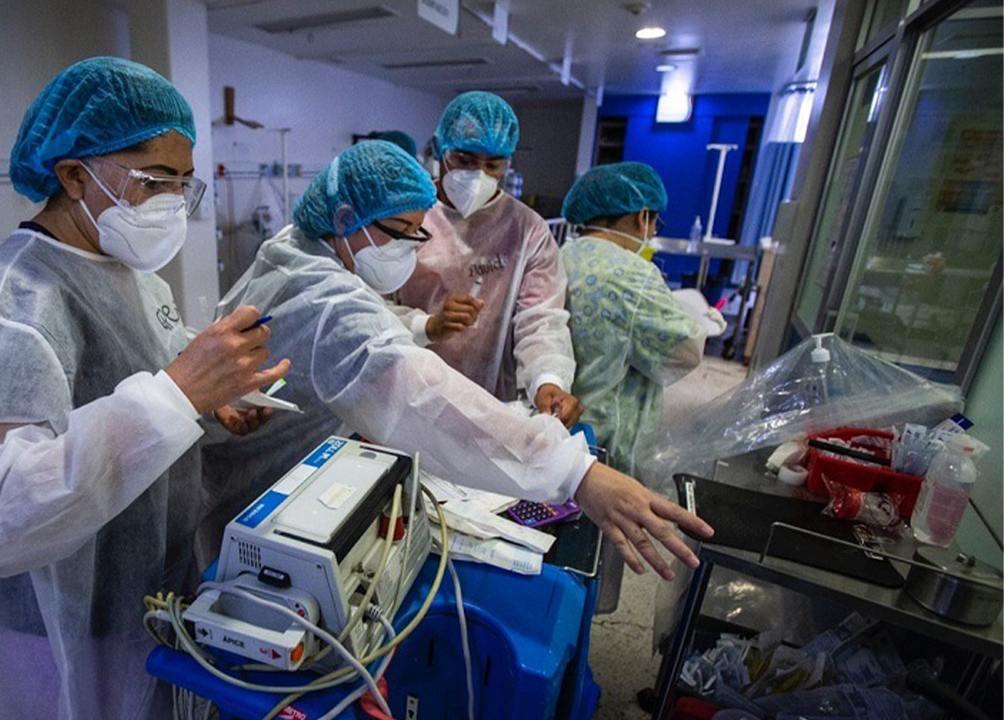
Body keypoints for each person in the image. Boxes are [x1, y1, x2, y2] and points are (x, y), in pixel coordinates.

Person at [0, 57, 288, 720]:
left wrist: (208, 400)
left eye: (184, 185)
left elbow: (143, 374)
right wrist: (176, 395)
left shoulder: (126, 273)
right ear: (74, 175)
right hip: (57, 605)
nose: (174, 203)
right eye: (156, 181)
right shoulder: (13, 299)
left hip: (144, 574)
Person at [199, 141, 712, 583]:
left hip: (266, 474)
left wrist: (545, 377)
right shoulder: (327, 298)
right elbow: (414, 391)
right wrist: (576, 473)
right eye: (401, 232)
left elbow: (534, 317)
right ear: (343, 219)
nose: (411, 249)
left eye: (419, 233)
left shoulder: (299, 246)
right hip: (264, 499)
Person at [390, 91, 582, 425]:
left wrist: (548, 378)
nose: (477, 175)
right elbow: (371, 305)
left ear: (507, 164)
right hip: (406, 389)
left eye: (492, 165)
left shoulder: (527, 229)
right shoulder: (407, 213)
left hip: (491, 398)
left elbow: (541, 319)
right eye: (464, 161)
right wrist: (426, 325)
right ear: (440, 151)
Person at [560, 162, 721, 477]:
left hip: (559, 420)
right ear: (641, 216)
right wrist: (702, 323)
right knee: (607, 517)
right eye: (654, 221)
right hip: (608, 437)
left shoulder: (562, 255)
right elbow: (682, 351)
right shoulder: (634, 273)